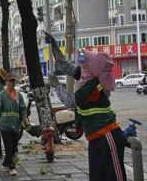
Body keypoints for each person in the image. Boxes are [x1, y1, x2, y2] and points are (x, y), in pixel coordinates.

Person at [46, 33, 127, 181]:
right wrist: (54, 47)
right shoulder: (87, 78)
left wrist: (56, 85)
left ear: (93, 69)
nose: (83, 64)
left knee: (115, 178)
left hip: (108, 136)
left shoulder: (92, 86)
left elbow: (70, 101)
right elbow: (67, 67)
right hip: (95, 138)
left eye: (87, 63)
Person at [0, 73, 31, 176]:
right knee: (8, 147)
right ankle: (12, 167)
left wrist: (25, 122)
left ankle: (5, 163)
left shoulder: (19, 96)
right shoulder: (2, 95)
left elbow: (22, 109)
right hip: (5, 125)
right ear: (6, 82)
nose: (12, 83)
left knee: (14, 148)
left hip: (16, 125)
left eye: (13, 81)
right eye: (10, 81)